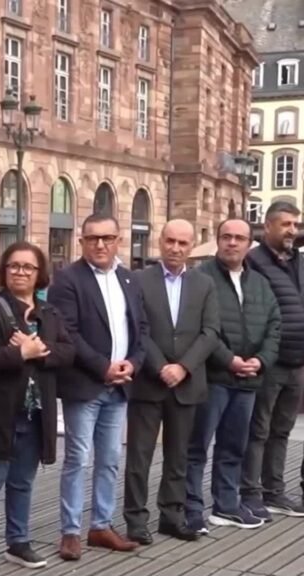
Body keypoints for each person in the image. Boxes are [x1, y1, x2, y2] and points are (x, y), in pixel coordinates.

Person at [0, 241, 74, 573]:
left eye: (28, 267)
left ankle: (18, 541)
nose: (20, 272)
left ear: (39, 273)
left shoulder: (49, 314)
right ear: (4, 269)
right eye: (14, 265)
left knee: (23, 481)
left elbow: (68, 352)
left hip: (36, 412)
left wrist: (39, 351)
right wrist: (19, 355)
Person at [47, 213, 147, 561]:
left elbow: (142, 330)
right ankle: (71, 531)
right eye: (92, 239)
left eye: (107, 238)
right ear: (82, 242)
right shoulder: (67, 279)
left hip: (121, 385)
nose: (100, 244)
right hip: (85, 384)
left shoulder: (129, 279)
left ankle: (101, 525)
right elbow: (68, 333)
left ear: (119, 240)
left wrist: (132, 363)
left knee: (110, 459)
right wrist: (104, 367)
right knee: (78, 458)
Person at [123, 219, 220, 544]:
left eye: (182, 243)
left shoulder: (204, 284)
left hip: (187, 384)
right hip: (149, 382)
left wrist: (184, 367)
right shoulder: (138, 280)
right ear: (160, 242)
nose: (175, 248)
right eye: (170, 241)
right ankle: (136, 520)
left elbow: (210, 332)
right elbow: (138, 328)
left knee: (179, 456)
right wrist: (161, 365)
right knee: (139, 456)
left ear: (192, 246)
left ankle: (172, 515)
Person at [186, 218, 280, 532]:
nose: (232, 243)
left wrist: (261, 361)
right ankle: (191, 508)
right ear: (217, 240)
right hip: (213, 378)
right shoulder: (201, 278)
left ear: (249, 243)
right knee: (197, 446)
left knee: (233, 447)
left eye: (239, 238)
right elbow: (199, 329)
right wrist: (229, 360)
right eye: (226, 237)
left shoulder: (260, 282)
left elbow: (274, 327)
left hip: (248, 380)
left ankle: (226, 506)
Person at [242, 201, 304, 517]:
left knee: (282, 430)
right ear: (267, 226)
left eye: (295, 224)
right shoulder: (254, 261)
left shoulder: (298, 261)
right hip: (269, 361)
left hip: (297, 362)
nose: (292, 230)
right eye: (286, 224)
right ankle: (251, 492)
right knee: (259, 430)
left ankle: (274, 491)